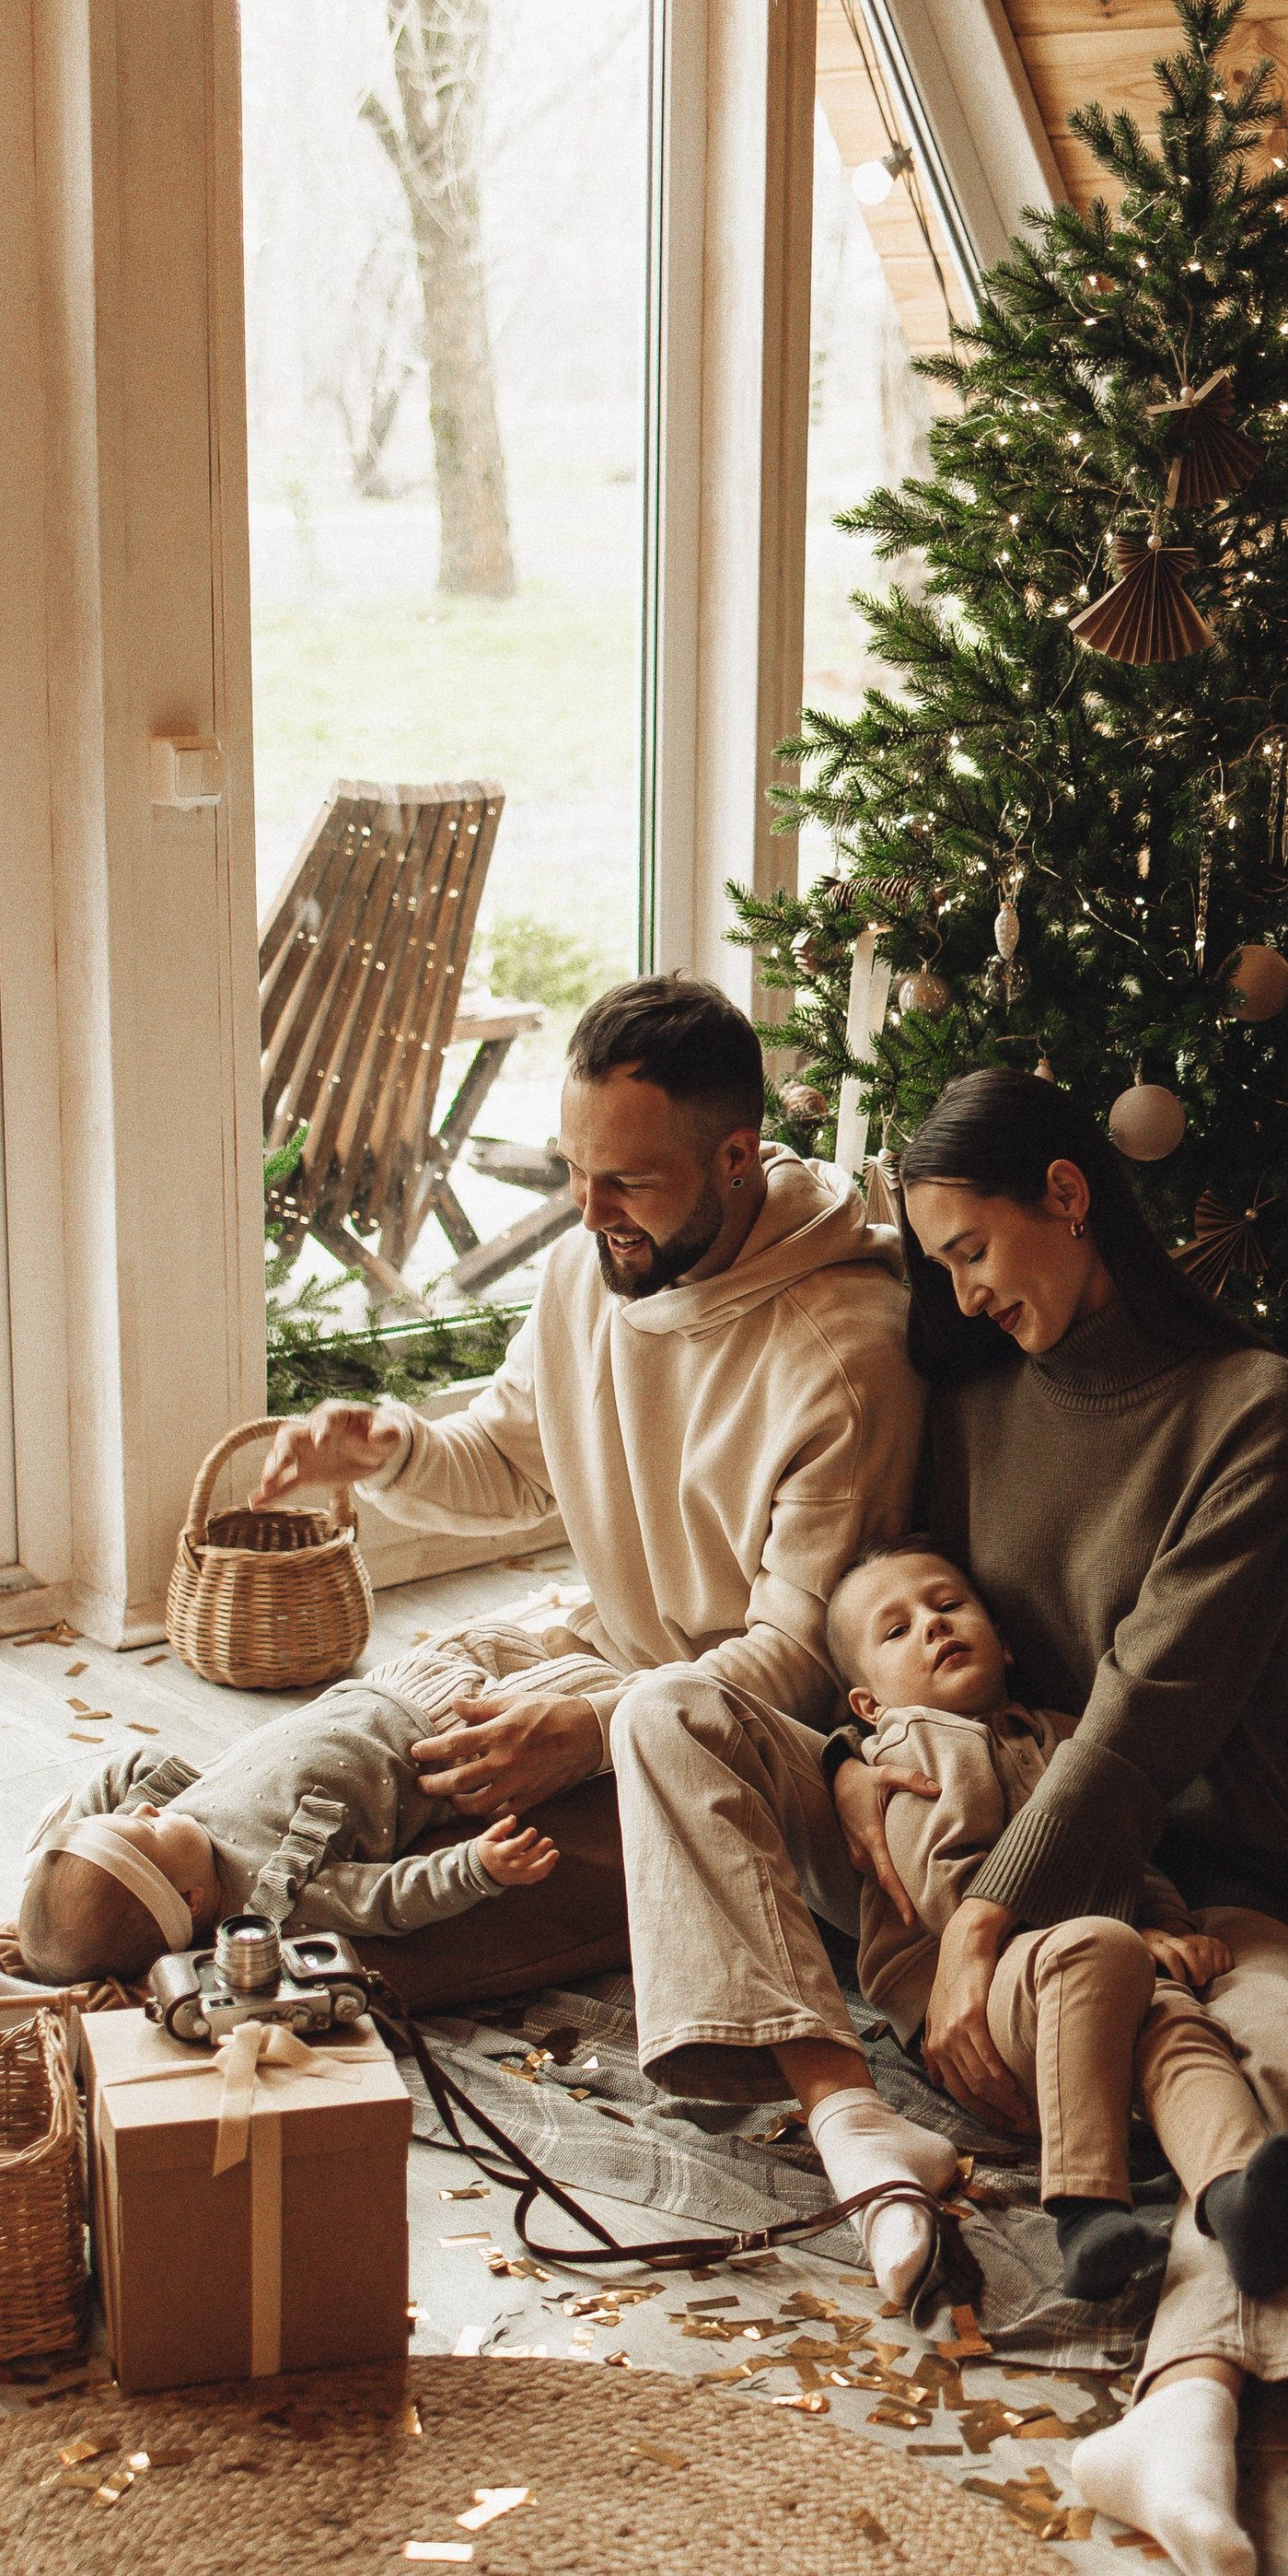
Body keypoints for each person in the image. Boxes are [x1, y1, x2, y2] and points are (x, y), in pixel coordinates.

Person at [618, 1067, 1288, 2576]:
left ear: (1068, 1193)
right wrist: (876, 1801)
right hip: (947, 1839)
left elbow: (1140, 1725)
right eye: (940, 1266)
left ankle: (1186, 2410)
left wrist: (987, 1932)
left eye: (973, 1250)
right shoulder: (971, 1397)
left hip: (1185, 1866)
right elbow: (894, 1634)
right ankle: (853, 2116)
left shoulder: (1255, 1407)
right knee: (664, 1716)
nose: (962, 1297)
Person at [249, 973, 954, 2299]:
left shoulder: (842, 1352)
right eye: (576, 1172)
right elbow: (514, 1462)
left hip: (732, 1741)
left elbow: (798, 1660)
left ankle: (134, 1983)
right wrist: (389, 1444)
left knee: (402, 1930)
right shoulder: (593, 1268)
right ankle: (118, 1892)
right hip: (606, 1666)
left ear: (736, 1158)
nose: (588, 1214)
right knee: (348, 1753)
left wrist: (584, 1727)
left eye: (626, 1181)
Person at [829, 1536, 1288, 2309]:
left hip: (1090, 1969)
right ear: (870, 1703)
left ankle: (1236, 2195)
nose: (931, 1626)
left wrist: (1164, 1921)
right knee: (1099, 1946)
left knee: (1174, 2022)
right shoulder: (911, 1747)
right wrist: (1119, 1928)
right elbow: (946, 1892)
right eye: (896, 1631)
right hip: (975, 1997)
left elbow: (1122, 1849)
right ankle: (1086, 2212)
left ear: (1004, 1639)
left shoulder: (1064, 1737)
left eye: (947, 1604)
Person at [12, 1649, 562, 1983]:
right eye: (147, 1825)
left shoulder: (172, 1829)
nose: (151, 1806)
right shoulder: (272, 1894)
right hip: (455, 1741)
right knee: (577, 1688)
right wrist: (475, 1867)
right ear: (189, 1902)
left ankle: (566, 1640)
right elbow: (384, 1899)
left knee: (503, 1638)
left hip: (384, 1688)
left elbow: (129, 1766)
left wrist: (58, 1857)